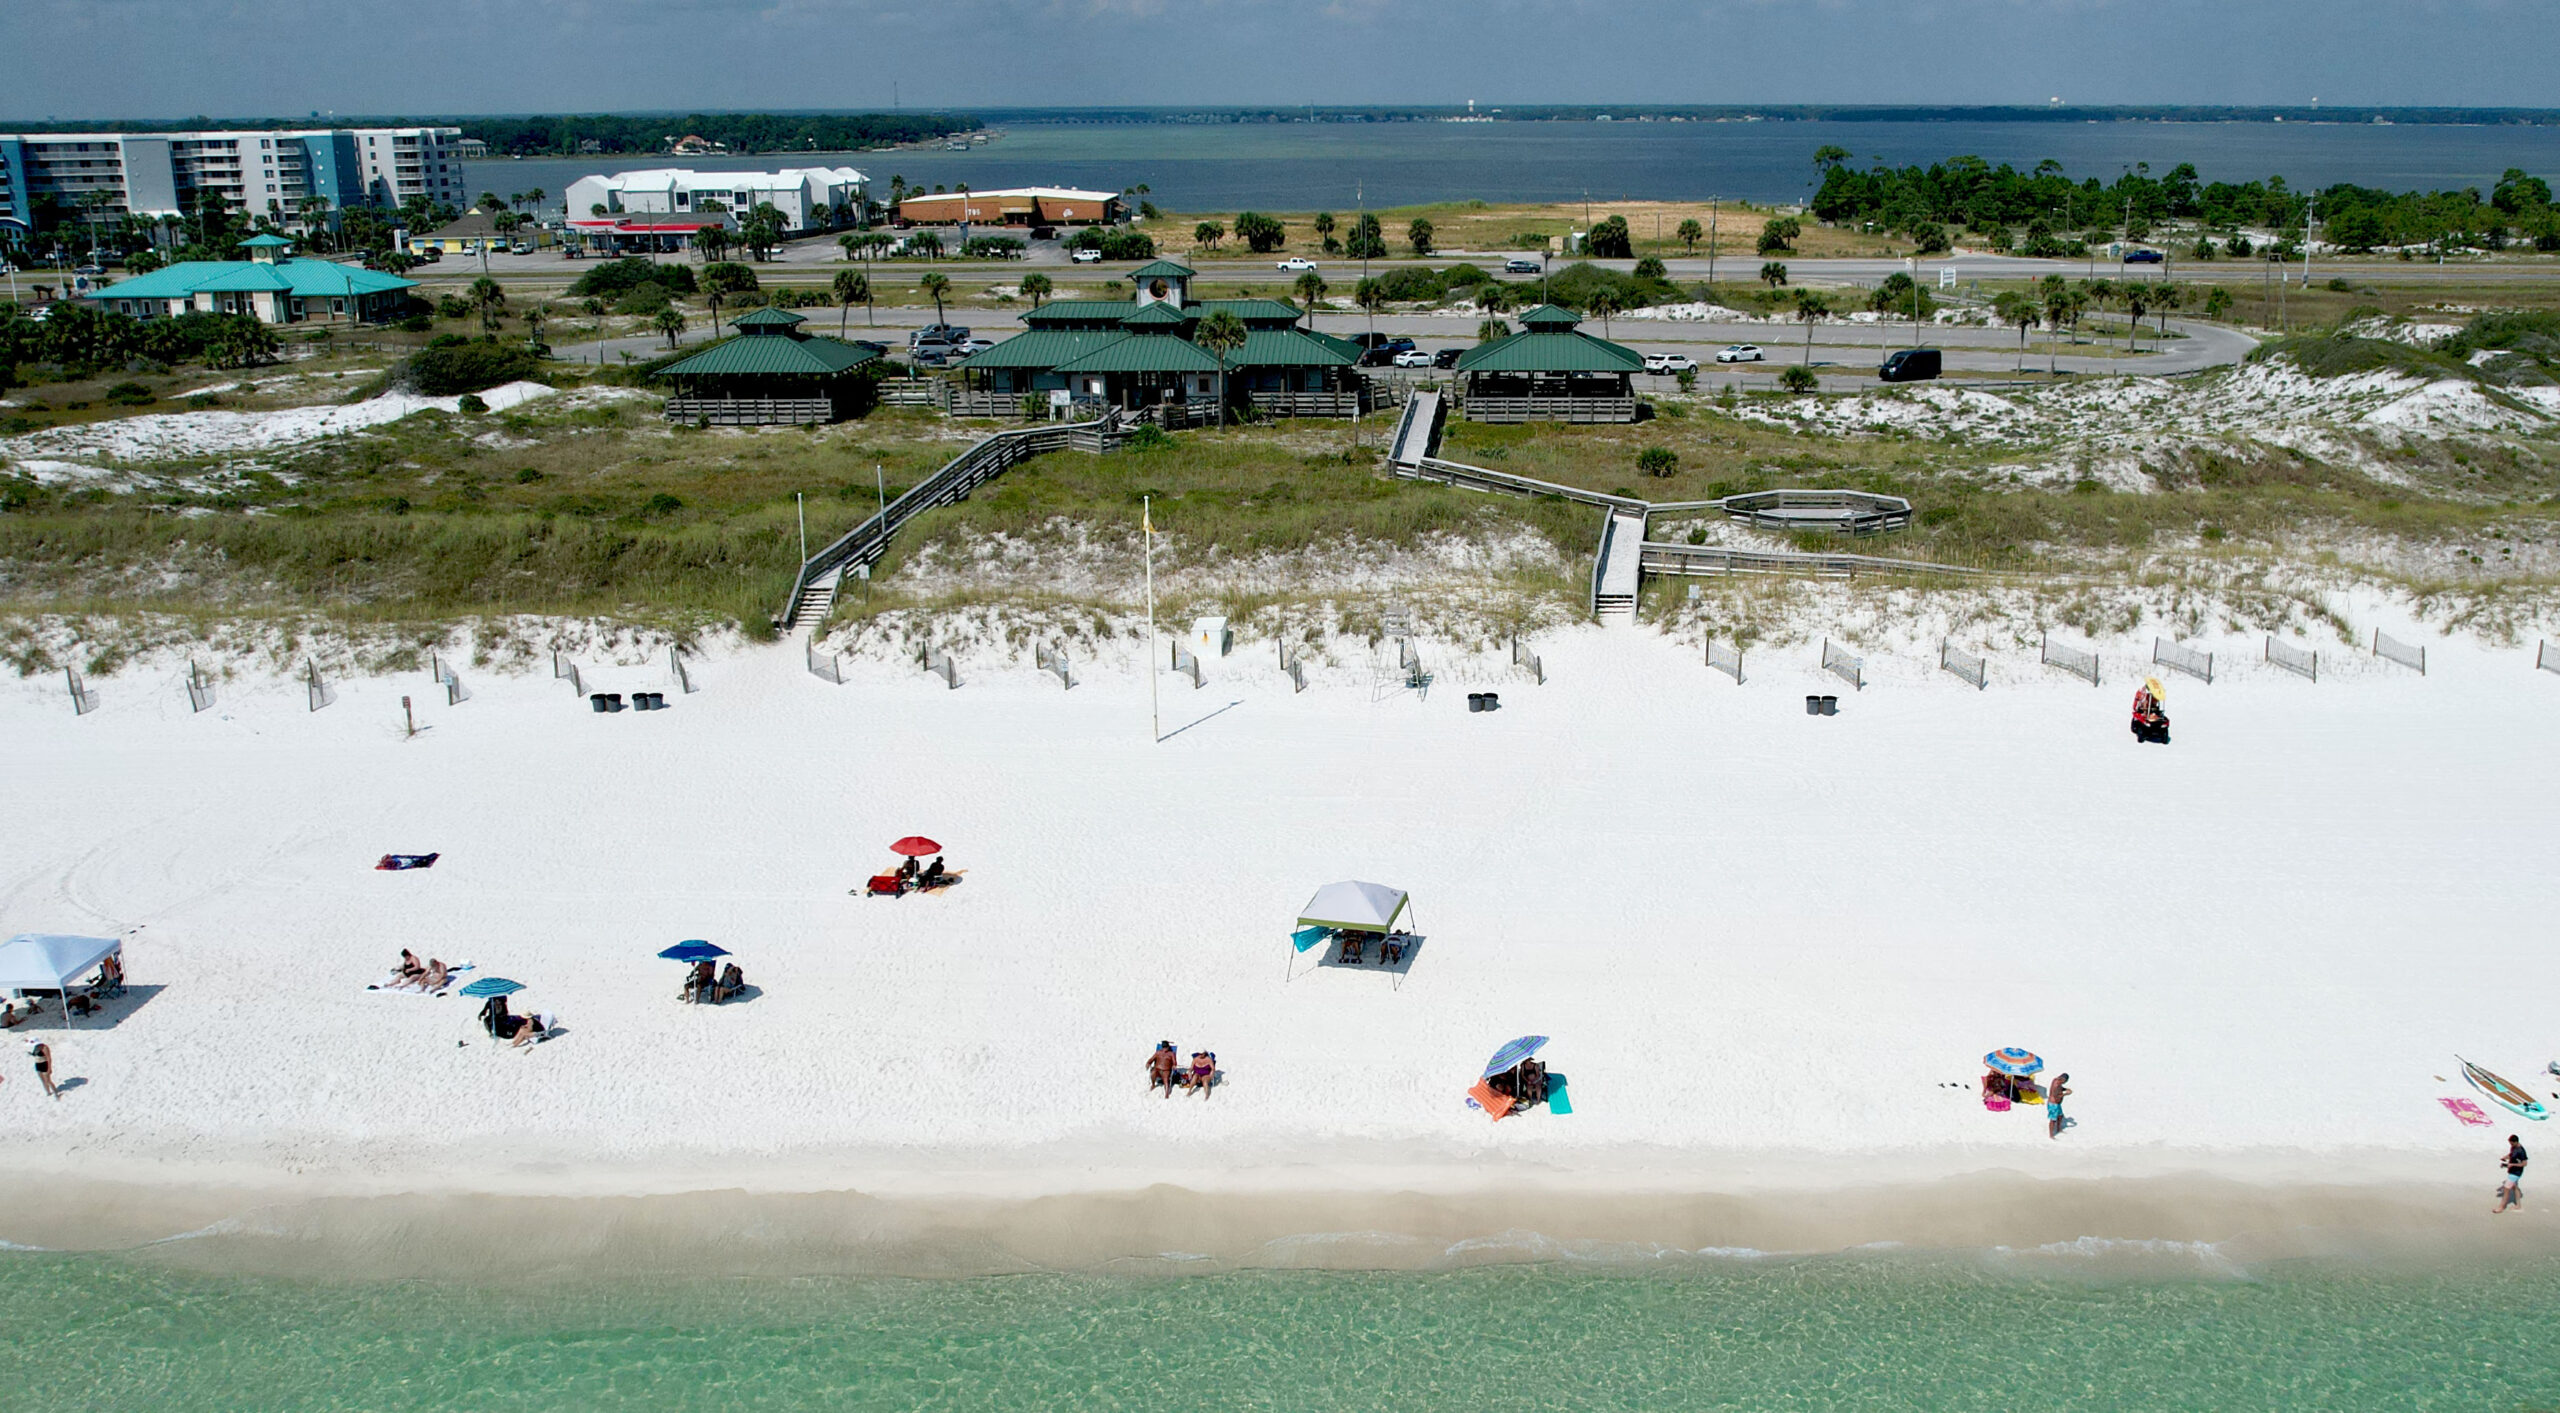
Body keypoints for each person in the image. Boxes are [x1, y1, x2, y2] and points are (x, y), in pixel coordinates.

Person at [2498, 1135, 2529, 1213]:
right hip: (2512, 1170)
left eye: (2511, 1144)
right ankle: (2518, 1205)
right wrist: (2505, 1157)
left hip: (2516, 1172)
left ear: (2516, 1142)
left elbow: (2524, 1163)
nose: (2511, 1145)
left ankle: (2501, 1207)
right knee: (2515, 1187)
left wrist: (2512, 1165)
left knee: (2506, 1189)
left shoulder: (2521, 1151)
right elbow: (2511, 1155)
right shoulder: (2514, 1148)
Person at [2046, 1073, 2073, 1139]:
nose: (2064, 1083)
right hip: (2053, 1104)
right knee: (2053, 1120)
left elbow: (2060, 1088)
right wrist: (2066, 1094)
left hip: (2057, 1104)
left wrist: (2065, 1089)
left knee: (2060, 1116)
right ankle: (2051, 1135)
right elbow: (2056, 1096)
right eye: (2064, 1081)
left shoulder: (2056, 1080)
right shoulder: (2056, 1085)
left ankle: (2058, 1129)